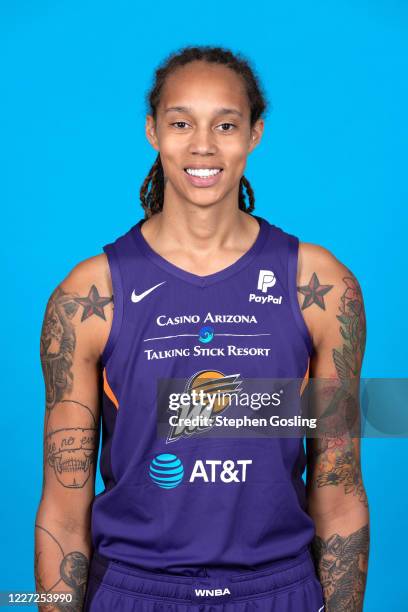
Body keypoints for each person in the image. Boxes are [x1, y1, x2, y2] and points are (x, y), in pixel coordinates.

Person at [34, 45, 369, 611]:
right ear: (153, 132)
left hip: (277, 592)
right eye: (182, 122)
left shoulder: (323, 286)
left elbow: (338, 489)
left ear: (254, 135)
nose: (204, 145)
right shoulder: (89, 296)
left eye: (227, 124)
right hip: (133, 591)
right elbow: (64, 514)